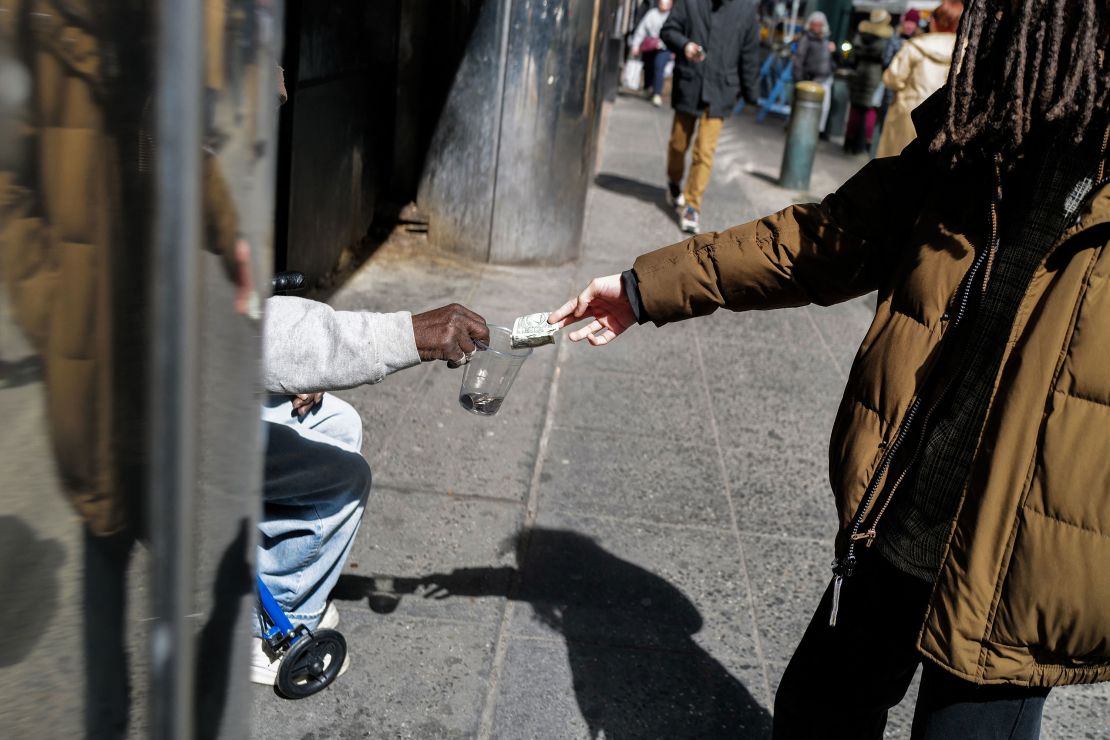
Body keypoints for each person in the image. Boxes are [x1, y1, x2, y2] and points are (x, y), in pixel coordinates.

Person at [548, 0, 1110, 736]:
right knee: (816, 713)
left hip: (1023, 575)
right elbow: (823, 240)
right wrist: (644, 287)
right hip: (900, 519)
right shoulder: (985, 127)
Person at [660, 0, 760, 235]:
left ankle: (692, 206)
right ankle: (674, 183)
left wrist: (751, 94)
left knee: (704, 151)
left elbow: (749, 53)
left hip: (721, 90)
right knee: (678, 144)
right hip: (690, 84)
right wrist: (684, 45)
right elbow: (668, 30)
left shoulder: (745, 9)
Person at [877, 2, 962, 158]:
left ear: (934, 21)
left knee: (896, 166)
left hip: (907, 114)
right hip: (943, 117)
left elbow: (893, 79)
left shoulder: (915, 46)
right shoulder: (965, 50)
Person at [843, 10, 893, 154]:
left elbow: (851, 57)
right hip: (875, 75)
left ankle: (849, 141)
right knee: (871, 110)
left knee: (855, 109)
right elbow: (886, 59)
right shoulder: (886, 39)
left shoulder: (860, 35)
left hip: (859, 73)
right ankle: (866, 144)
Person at [791, 11, 835, 137]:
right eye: (814, 24)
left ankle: (817, 131)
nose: (816, 27)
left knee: (824, 108)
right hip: (811, 79)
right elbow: (798, 60)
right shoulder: (806, 39)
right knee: (805, 107)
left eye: (819, 25)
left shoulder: (825, 40)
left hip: (825, 78)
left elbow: (828, 60)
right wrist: (799, 80)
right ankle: (803, 129)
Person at [629, 0, 674, 107]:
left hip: (664, 48)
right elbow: (641, 30)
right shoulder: (652, 14)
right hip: (650, 47)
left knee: (659, 68)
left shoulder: (672, 16)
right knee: (649, 67)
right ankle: (648, 87)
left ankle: (657, 93)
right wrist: (635, 45)